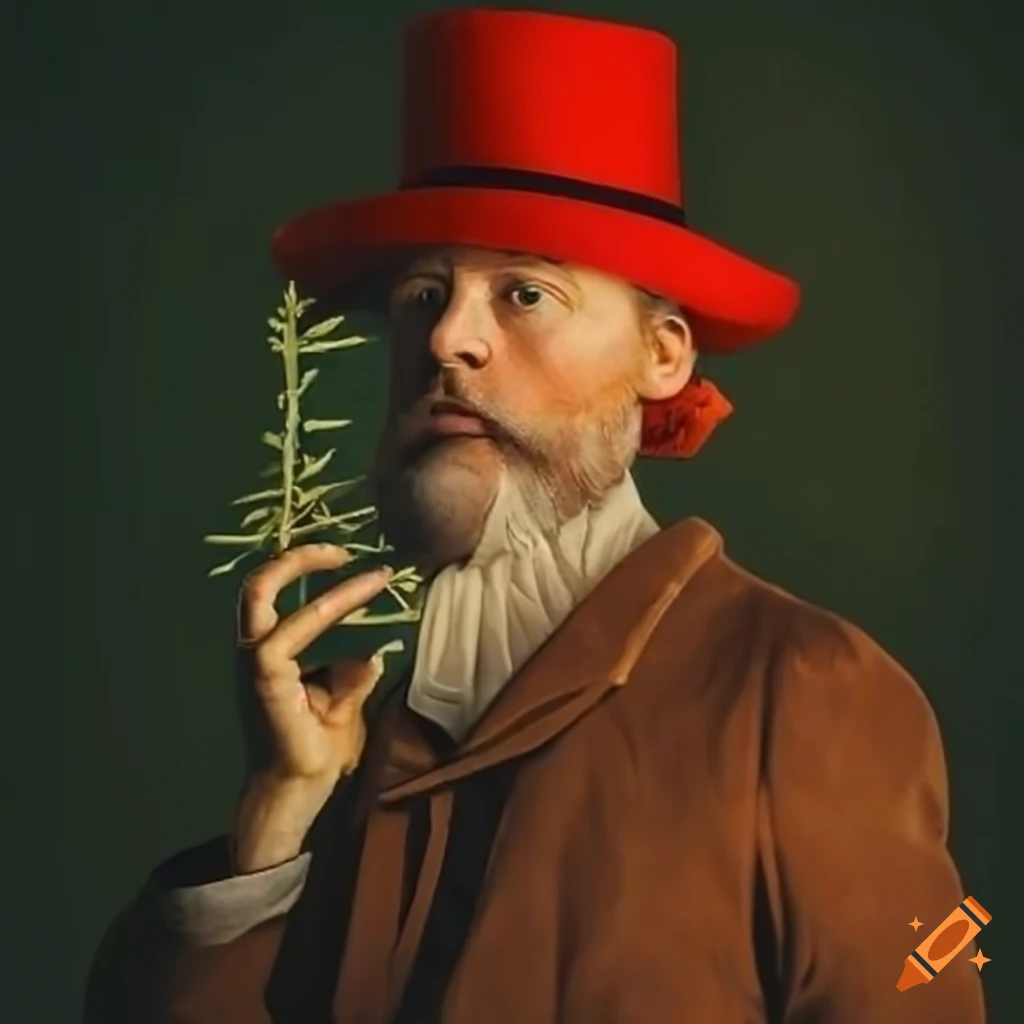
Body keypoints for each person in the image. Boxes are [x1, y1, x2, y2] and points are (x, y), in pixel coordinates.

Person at [84, 8, 986, 1024]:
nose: (446, 340)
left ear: (663, 356)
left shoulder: (803, 692)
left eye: (523, 294)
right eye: (425, 293)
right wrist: (273, 821)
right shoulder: (360, 742)